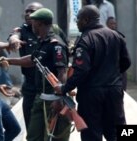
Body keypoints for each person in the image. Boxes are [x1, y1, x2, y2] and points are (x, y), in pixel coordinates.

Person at [55, 5, 131, 141]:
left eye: (78, 19)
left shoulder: (85, 40)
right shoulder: (116, 35)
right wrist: (113, 76)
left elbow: (81, 71)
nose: (77, 23)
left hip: (91, 95)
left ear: (85, 20)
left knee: (91, 134)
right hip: (114, 92)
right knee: (121, 131)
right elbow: (126, 62)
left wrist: (64, 88)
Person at [3, 8, 71, 141]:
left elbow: (62, 72)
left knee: (53, 137)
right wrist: (8, 61)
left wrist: (59, 98)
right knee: (33, 136)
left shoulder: (56, 44)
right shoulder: (43, 42)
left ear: (39, 24)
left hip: (53, 98)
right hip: (41, 97)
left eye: (33, 22)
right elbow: (31, 60)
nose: (31, 24)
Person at [106, 16, 127, 90]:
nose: (113, 25)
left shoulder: (120, 36)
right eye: (111, 24)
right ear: (107, 25)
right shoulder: (103, 37)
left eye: (114, 24)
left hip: (119, 67)